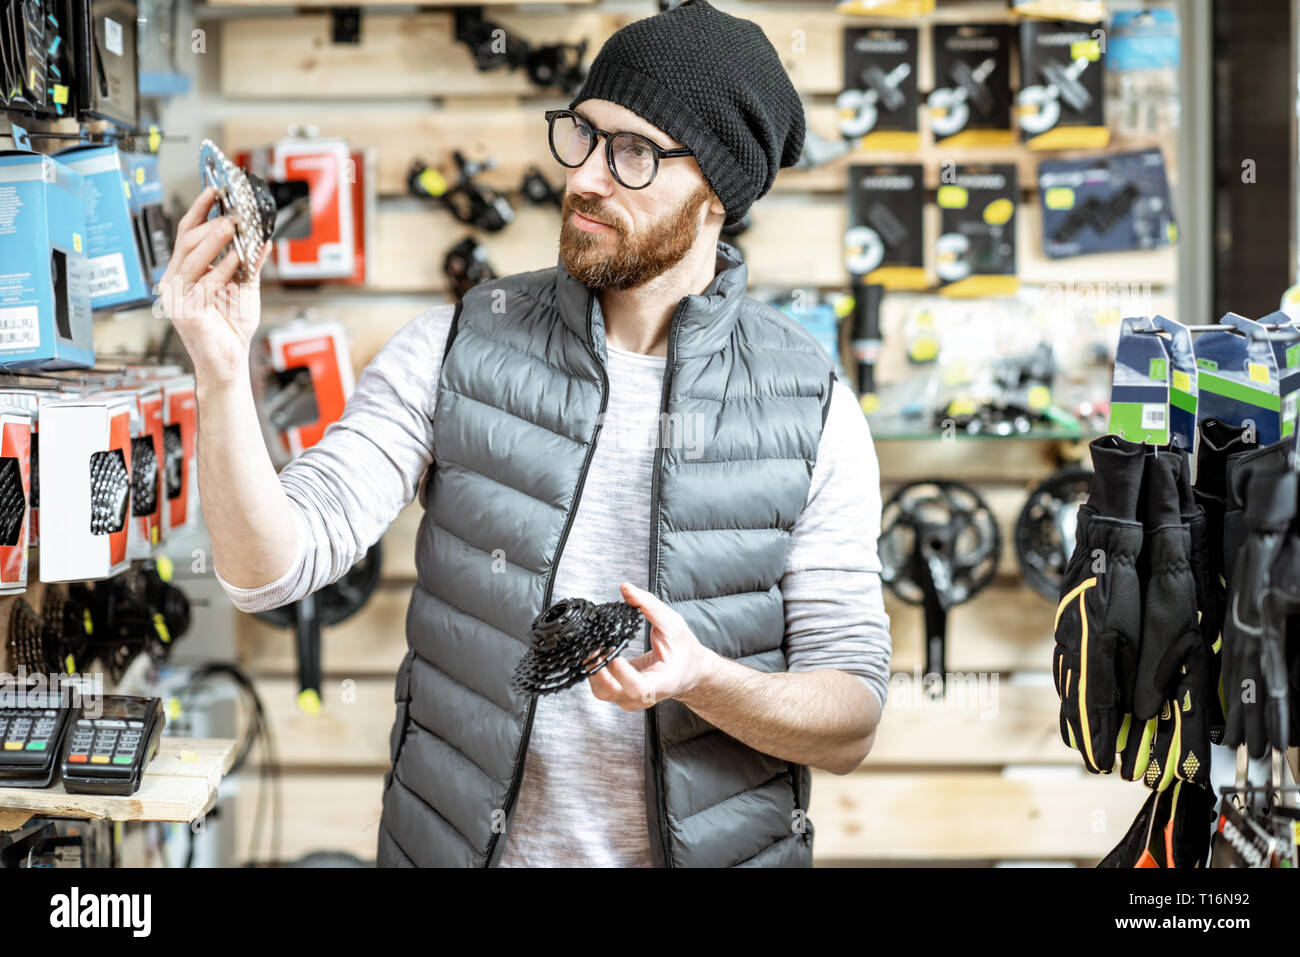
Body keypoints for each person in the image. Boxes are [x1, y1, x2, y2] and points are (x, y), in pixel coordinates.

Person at [160, 0, 892, 867]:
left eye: (635, 154)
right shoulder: (455, 345)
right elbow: (268, 566)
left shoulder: (811, 404)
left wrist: (705, 682)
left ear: (717, 195)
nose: (586, 176)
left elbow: (849, 721)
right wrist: (218, 364)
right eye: (582, 134)